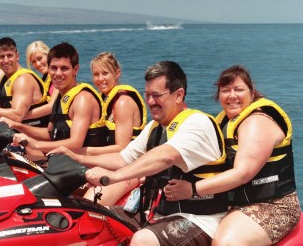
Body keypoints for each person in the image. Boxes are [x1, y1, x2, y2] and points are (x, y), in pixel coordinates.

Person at [49, 60, 227, 246]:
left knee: (144, 240)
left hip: (199, 219)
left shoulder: (198, 123)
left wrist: (114, 177)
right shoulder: (155, 128)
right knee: (90, 219)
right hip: (156, 213)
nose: (150, 102)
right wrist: (77, 158)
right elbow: (122, 158)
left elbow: (165, 156)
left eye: (157, 95)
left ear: (178, 95)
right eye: (147, 94)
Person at [164, 65, 300, 245]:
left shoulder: (257, 122)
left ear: (252, 94)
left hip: (273, 205)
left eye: (239, 89)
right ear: (218, 96)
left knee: (225, 243)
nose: (232, 95)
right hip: (228, 204)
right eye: (226, 90)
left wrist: (192, 190)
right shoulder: (221, 123)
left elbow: (242, 174)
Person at [4, 42, 107, 154]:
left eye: (64, 68)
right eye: (53, 68)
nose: (58, 73)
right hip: (61, 162)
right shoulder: (59, 97)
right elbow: (50, 134)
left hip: (84, 167)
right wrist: (17, 126)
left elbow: (76, 144)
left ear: (75, 69)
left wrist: (35, 144)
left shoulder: (82, 99)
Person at [80, 52, 147, 205]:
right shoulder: (106, 99)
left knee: (89, 204)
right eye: (96, 74)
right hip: (110, 163)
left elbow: (122, 148)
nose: (100, 79)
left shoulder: (122, 102)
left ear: (117, 73)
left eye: (105, 73)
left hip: (130, 168)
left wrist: (84, 152)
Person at [23, 41, 59, 120]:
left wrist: (21, 117)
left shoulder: (58, 76)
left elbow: (51, 107)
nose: (38, 64)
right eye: (33, 62)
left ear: (48, 55)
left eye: (40, 58)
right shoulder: (45, 79)